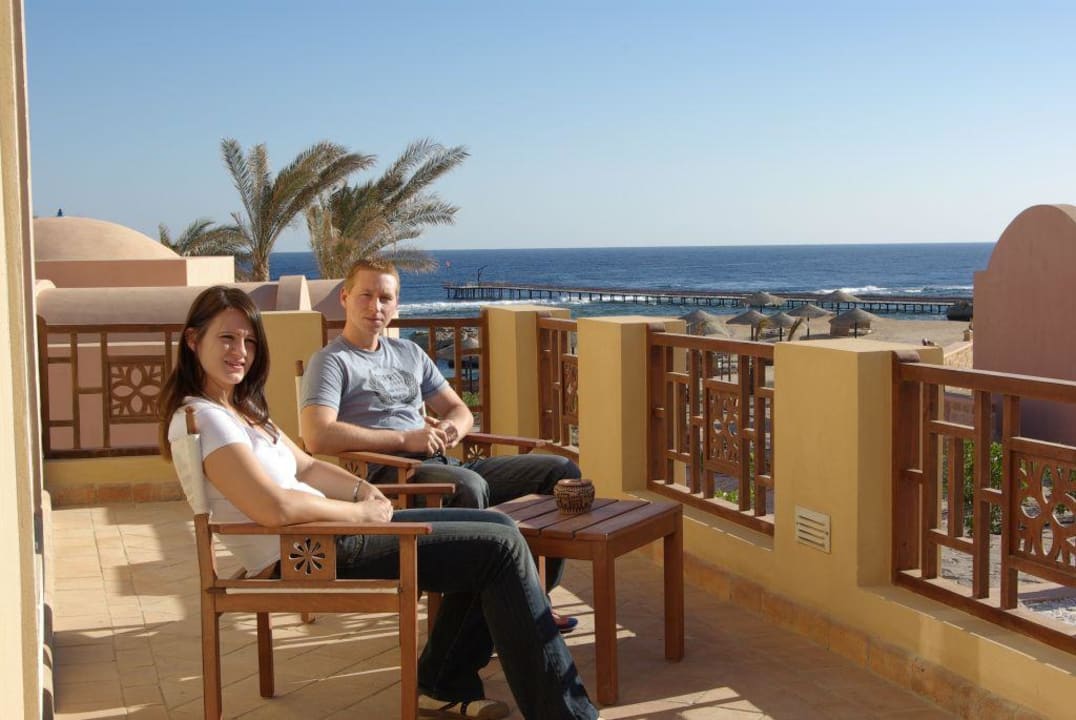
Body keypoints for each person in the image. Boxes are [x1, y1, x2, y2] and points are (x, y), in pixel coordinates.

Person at [159, 286, 599, 720]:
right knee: (497, 550)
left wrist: (362, 491)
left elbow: (306, 467)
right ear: (193, 340)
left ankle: (443, 683)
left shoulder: (242, 410)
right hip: (309, 550)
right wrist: (358, 513)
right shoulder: (207, 419)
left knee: (501, 530)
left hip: (330, 534)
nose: (241, 351)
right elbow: (274, 508)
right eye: (227, 338)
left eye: (250, 341)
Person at [299, 259, 580, 632]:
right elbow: (316, 434)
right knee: (469, 487)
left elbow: (458, 410)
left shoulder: (409, 353)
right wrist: (405, 438)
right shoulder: (332, 361)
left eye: (385, 298)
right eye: (366, 295)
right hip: (386, 477)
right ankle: (479, 624)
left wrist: (450, 428)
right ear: (345, 297)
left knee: (560, 471)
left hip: (441, 462)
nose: (375, 307)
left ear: (396, 303)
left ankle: (533, 600)